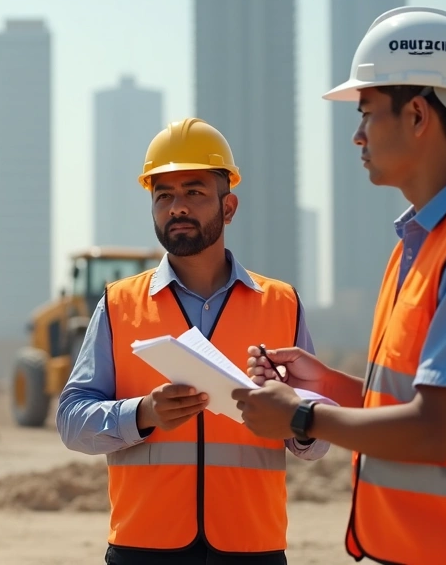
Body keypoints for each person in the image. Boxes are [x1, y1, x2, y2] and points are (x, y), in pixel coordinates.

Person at [231, 6, 446, 564]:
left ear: (416, 115)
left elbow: (434, 430)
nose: (357, 136)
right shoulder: (419, 245)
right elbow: (413, 402)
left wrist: (299, 417)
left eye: (366, 113)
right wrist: (328, 386)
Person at [56, 117, 331, 565]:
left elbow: (319, 441)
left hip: (252, 548)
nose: (177, 207)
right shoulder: (118, 305)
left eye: (194, 192)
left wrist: (295, 424)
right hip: (145, 546)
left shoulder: (281, 304)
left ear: (229, 207)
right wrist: (142, 413)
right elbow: (71, 421)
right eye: (163, 195)